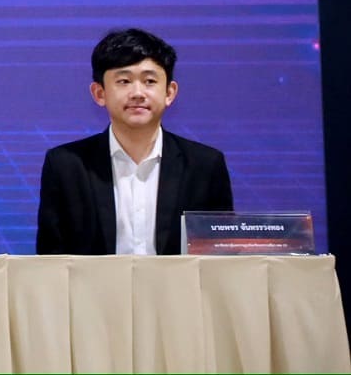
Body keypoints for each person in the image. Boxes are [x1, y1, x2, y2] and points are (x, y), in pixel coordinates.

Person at [36, 28, 234, 255]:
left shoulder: (204, 166)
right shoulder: (66, 165)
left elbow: (220, 259)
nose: (138, 93)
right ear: (99, 93)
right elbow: (51, 259)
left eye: (149, 81)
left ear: (170, 92)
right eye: (124, 81)